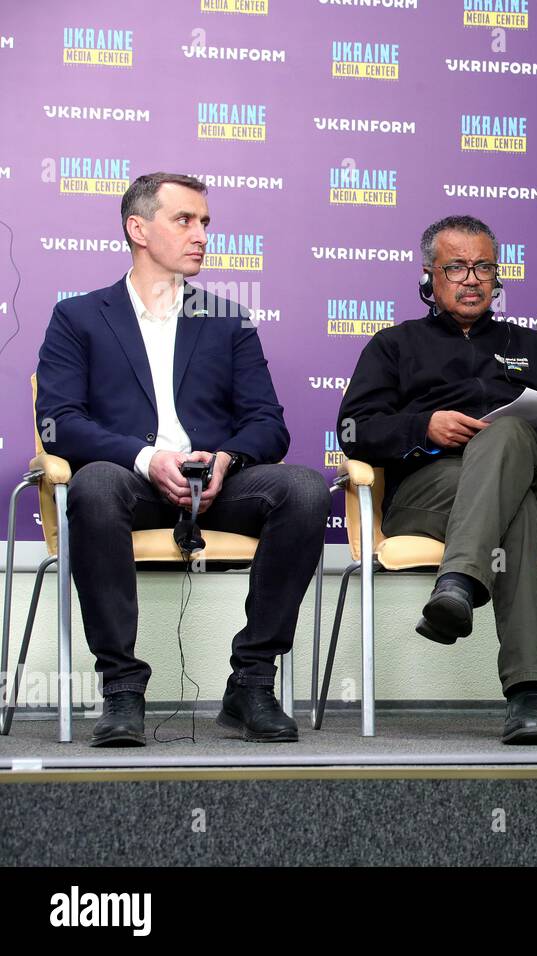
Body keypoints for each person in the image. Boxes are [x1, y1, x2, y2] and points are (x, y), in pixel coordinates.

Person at [36, 171, 331, 747]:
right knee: (94, 485)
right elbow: (60, 423)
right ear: (137, 228)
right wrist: (147, 459)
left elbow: (268, 424)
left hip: (217, 488)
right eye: (184, 220)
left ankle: (250, 683)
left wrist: (226, 458)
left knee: (302, 488)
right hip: (130, 483)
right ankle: (121, 688)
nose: (200, 234)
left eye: (205, 223)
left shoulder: (229, 320)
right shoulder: (78, 318)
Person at [336, 214, 537, 745]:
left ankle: (457, 584)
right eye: (457, 267)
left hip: (533, 475)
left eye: (484, 267)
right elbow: (352, 429)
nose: (472, 278)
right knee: (515, 513)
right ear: (429, 277)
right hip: (430, 495)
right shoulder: (394, 345)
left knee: (504, 437)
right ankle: (527, 696)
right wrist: (422, 425)